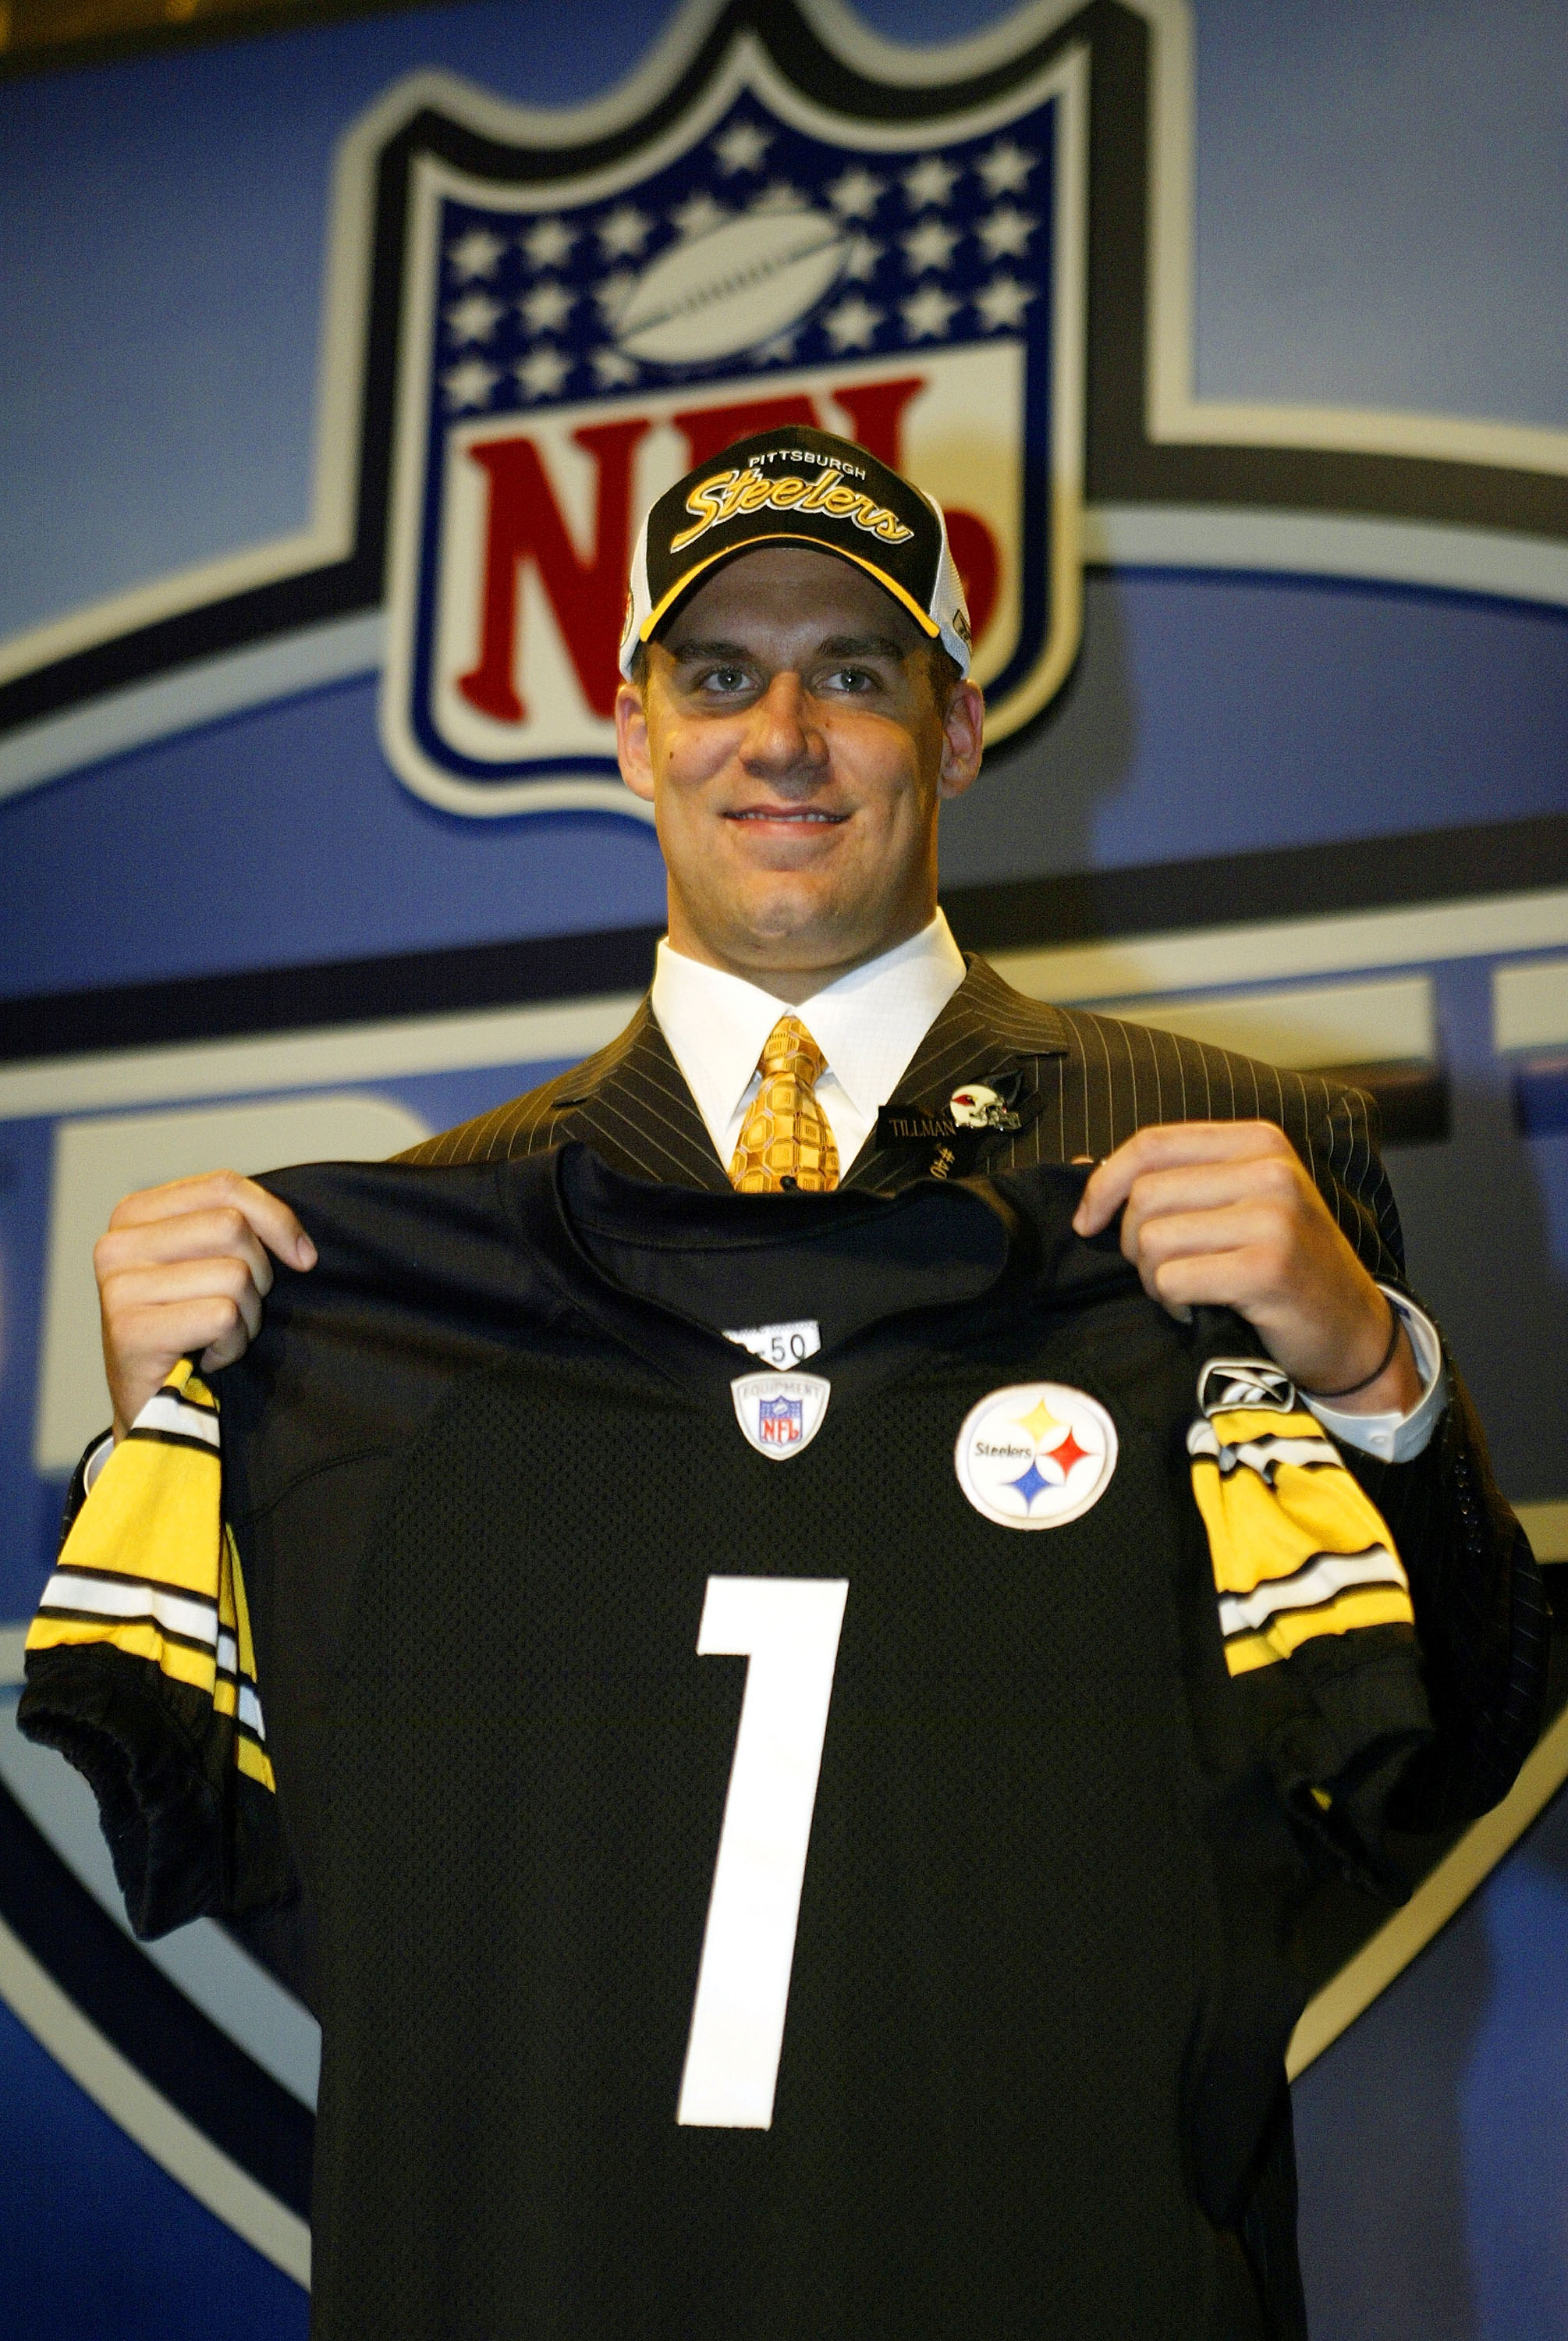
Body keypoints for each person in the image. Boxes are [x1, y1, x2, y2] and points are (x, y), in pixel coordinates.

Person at [65, 428, 1541, 2334]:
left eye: (853, 673)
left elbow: (1461, 1750)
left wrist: (1368, 1375)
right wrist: (176, 1466)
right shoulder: (396, 1258)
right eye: (717, 673)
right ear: (629, 732)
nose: (783, 734)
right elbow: (309, 1886)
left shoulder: (1245, 1158)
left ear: (956, 732)